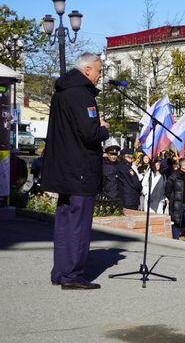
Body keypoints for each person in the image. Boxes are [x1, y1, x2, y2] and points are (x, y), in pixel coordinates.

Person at [41, 52, 109, 290]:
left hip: (65, 169)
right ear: (87, 69)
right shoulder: (82, 94)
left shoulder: (62, 92)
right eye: (99, 71)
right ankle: (72, 275)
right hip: (81, 168)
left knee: (64, 223)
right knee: (78, 224)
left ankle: (60, 271)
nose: (100, 76)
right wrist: (103, 129)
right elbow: (89, 133)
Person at [165, 158, 185, 242]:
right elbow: (167, 190)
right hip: (178, 204)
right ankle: (175, 242)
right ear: (183, 166)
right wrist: (173, 200)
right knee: (177, 223)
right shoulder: (174, 176)